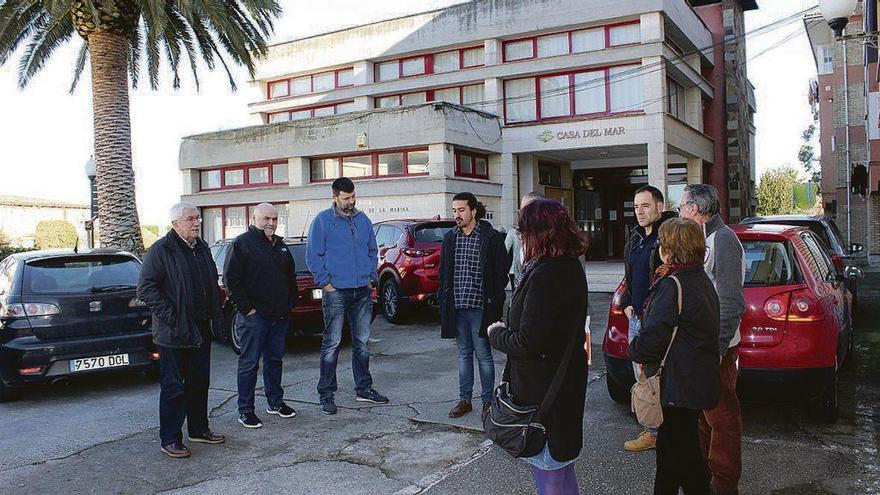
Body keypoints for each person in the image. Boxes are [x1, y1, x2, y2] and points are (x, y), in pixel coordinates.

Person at [487, 199, 590, 495]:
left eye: (523, 231)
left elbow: (527, 342)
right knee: (561, 465)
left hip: (544, 392)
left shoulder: (547, 274)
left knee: (550, 472)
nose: (519, 237)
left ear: (538, 233)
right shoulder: (567, 265)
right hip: (562, 381)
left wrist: (496, 333)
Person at [628, 217, 721, 495]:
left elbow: (653, 337)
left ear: (669, 249)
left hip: (676, 384)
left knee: (685, 458)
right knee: (672, 453)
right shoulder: (699, 279)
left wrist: (634, 348)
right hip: (693, 380)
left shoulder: (672, 284)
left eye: (661, 243)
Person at [137, 202, 226, 459]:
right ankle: (170, 439)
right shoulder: (160, 250)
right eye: (190, 219)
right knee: (174, 388)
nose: (196, 222)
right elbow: (146, 289)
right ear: (175, 224)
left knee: (199, 383)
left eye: (197, 218)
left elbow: (210, 282)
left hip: (200, 329)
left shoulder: (202, 248)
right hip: (174, 333)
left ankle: (198, 429)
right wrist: (173, 317)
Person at [677, 184, 746, 495]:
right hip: (702, 347)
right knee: (704, 419)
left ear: (695, 210)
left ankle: (724, 485)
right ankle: (704, 478)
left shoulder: (724, 240)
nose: (679, 212)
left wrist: (717, 348)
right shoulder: (703, 239)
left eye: (681, 207)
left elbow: (732, 301)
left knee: (723, 420)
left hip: (716, 348)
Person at [306, 177, 388, 415]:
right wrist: (326, 284)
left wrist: (371, 275)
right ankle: (326, 394)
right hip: (336, 292)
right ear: (335, 197)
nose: (351, 202)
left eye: (353, 197)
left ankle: (364, 389)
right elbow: (313, 256)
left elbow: (373, 251)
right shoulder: (322, 221)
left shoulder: (363, 221)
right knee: (331, 344)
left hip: (362, 290)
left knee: (361, 343)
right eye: (346, 198)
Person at [224, 203, 298, 429]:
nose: (271, 223)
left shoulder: (280, 245)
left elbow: (290, 277)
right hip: (254, 318)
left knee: (274, 361)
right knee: (249, 364)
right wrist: (247, 309)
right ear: (254, 218)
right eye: (266, 218)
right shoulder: (242, 244)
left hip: (279, 317)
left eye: (275, 219)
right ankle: (245, 410)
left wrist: (288, 305)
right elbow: (231, 280)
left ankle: (275, 403)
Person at [439, 192, 511, 420]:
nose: (457, 215)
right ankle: (465, 400)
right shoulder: (451, 237)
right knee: (463, 354)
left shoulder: (490, 237)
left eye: (461, 210)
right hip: (457, 306)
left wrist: (494, 300)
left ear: (473, 211)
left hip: (481, 306)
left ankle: (487, 402)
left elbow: (501, 273)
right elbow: (444, 274)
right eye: (454, 211)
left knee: (483, 355)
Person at [622, 185, 676, 452]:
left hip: (657, 319)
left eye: (645, 206)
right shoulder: (635, 238)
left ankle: (660, 432)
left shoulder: (668, 236)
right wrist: (626, 302)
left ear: (659, 207)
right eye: (635, 207)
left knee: (656, 375)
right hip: (637, 317)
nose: (639, 212)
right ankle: (653, 429)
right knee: (641, 375)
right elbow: (632, 277)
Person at [505, 191, 544, 289]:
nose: (522, 216)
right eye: (521, 211)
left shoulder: (553, 250)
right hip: (516, 270)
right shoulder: (516, 233)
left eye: (528, 211)